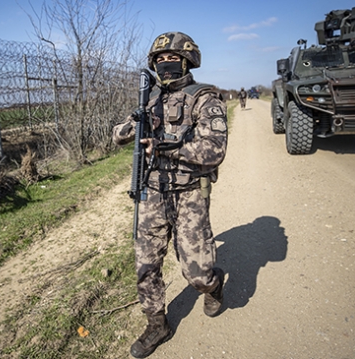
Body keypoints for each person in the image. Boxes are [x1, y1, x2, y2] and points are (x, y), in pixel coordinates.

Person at [112, 31, 228, 358]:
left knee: (197, 274)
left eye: (172, 59)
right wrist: (137, 125)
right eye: (159, 60)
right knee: (146, 264)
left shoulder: (203, 98)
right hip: (153, 191)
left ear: (187, 61)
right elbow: (117, 135)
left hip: (190, 192)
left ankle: (214, 285)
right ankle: (157, 323)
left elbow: (213, 150)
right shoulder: (148, 99)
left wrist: (166, 147)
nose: (165, 64)